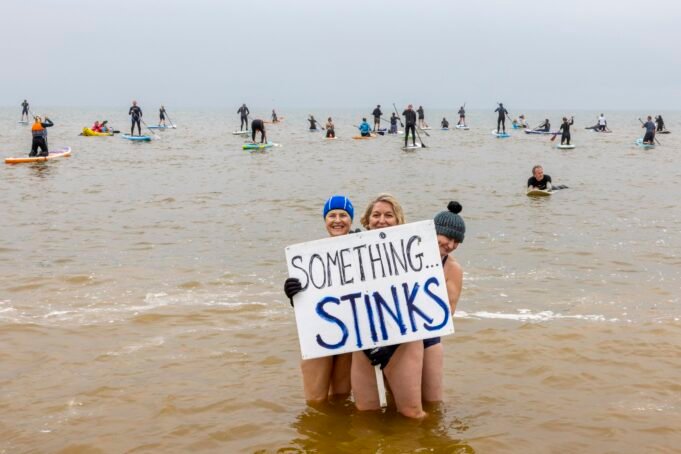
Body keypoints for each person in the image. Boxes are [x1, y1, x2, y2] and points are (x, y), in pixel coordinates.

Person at [351, 193, 427, 419]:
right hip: (364, 340)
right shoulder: (349, 253)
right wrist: (296, 291)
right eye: (376, 215)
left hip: (404, 338)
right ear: (366, 221)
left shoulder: (413, 252)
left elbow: (422, 303)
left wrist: (392, 346)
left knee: (412, 414)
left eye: (388, 215)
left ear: (398, 221)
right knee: (366, 414)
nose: (381, 220)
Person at [283, 195, 355, 403]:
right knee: (316, 401)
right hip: (318, 331)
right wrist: (292, 293)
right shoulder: (310, 256)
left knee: (341, 397)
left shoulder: (362, 250)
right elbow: (306, 303)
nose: (337, 220)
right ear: (325, 220)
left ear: (351, 220)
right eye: (332, 215)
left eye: (343, 215)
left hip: (350, 333)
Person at [422, 201, 466, 403]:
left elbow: (448, 312)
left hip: (429, 337)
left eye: (456, 241)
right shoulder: (407, 255)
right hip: (396, 335)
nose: (450, 245)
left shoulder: (453, 269)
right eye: (447, 237)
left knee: (432, 402)